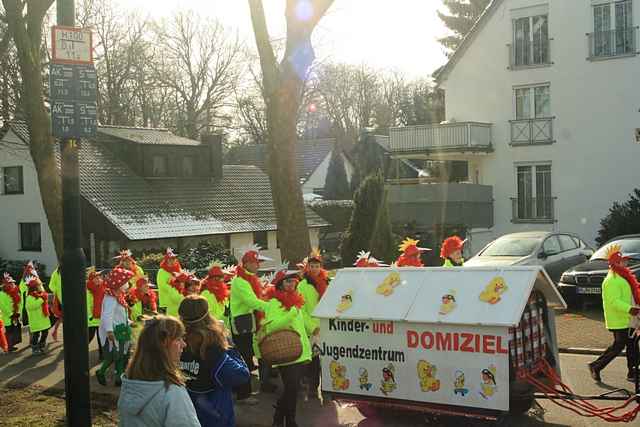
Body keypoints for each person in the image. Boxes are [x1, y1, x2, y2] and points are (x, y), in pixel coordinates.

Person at [179, 295, 250, 427]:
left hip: (183, 411)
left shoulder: (173, 342)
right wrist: (228, 344)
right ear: (207, 316)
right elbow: (242, 375)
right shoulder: (211, 347)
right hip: (212, 414)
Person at [117, 315, 201, 427]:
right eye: (178, 339)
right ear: (164, 344)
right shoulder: (172, 393)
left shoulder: (130, 384)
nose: (184, 345)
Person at [261, 267, 312, 427]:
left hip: (300, 350)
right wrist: (291, 313)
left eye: (294, 281)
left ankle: (281, 419)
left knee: (293, 389)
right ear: (280, 284)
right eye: (288, 281)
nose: (291, 284)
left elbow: (303, 323)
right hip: (286, 352)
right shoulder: (274, 303)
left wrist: (315, 328)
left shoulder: (296, 299)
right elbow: (272, 327)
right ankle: (289, 421)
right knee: (291, 389)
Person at [589, 244, 640, 382]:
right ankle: (596, 366)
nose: (626, 263)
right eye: (623, 261)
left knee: (633, 345)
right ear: (616, 263)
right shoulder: (612, 280)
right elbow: (613, 301)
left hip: (628, 318)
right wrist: (630, 309)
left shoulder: (623, 277)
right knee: (619, 346)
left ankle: (633, 372)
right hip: (619, 320)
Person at [229, 245, 271, 404]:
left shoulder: (249, 279)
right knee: (244, 359)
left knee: (245, 357)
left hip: (246, 323)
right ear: (245, 263)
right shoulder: (240, 281)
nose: (257, 265)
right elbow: (251, 301)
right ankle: (243, 395)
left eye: (258, 262)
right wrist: (271, 307)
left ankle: (241, 391)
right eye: (254, 262)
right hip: (241, 325)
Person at [297, 249, 328, 400]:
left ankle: (327, 389)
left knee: (326, 360)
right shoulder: (302, 285)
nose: (315, 269)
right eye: (312, 266)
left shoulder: (327, 283)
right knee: (313, 361)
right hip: (312, 330)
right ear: (307, 267)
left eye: (317, 266)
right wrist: (312, 327)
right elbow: (300, 310)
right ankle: (312, 388)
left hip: (326, 328)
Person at [97, 267, 135, 387]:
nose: (127, 284)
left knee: (122, 355)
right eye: (125, 282)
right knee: (113, 355)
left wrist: (129, 322)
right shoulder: (111, 298)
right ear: (119, 284)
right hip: (115, 331)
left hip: (122, 329)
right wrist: (109, 330)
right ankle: (101, 371)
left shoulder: (119, 297)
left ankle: (119, 377)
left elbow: (120, 315)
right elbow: (107, 316)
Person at [25, 276, 51, 355]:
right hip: (35, 320)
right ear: (34, 287)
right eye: (39, 286)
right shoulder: (29, 297)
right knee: (36, 335)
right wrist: (42, 300)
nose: (41, 287)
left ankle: (41, 346)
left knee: (45, 333)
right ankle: (35, 348)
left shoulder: (41, 295)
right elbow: (31, 306)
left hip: (43, 319)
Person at [200, 261, 230, 327]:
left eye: (220, 278)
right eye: (215, 278)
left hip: (221, 325)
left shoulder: (224, 293)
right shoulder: (205, 293)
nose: (218, 281)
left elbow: (225, 312)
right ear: (209, 279)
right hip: (209, 326)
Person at [86, 267, 106, 360]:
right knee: (89, 337)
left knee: (101, 337)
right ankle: (79, 351)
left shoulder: (103, 289)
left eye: (99, 277)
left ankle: (102, 355)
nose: (99, 279)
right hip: (91, 318)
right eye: (96, 278)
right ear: (91, 280)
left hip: (101, 317)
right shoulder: (88, 291)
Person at [0, 273, 22, 351]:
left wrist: (17, 313)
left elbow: (19, 303)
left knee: (13, 330)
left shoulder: (14, 292)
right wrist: (11, 314)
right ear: (6, 285)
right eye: (11, 283)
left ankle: (10, 345)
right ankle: (7, 346)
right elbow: (3, 306)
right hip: (8, 317)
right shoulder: (1, 294)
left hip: (15, 315)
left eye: (13, 283)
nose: (13, 284)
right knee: (9, 331)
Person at [157, 248, 182, 313]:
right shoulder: (161, 271)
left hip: (178, 299)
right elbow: (162, 285)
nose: (173, 260)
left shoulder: (179, 270)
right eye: (170, 259)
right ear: (166, 260)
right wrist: (174, 290)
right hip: (167, 301)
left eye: (174, 258)